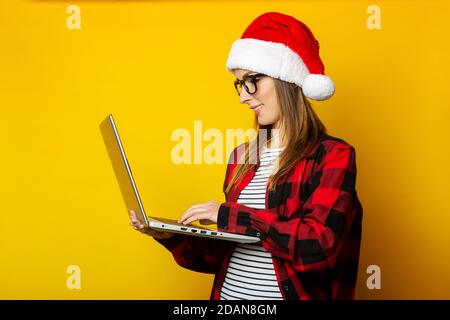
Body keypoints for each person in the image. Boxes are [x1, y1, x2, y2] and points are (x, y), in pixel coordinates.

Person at [130, 12, 363, 300]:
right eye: (240, 83)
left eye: (252, 80)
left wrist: (226, 214)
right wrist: (169, 236)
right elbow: (228, 256)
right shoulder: (241, 158)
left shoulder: (333, 156)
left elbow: (318, 247)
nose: (243, 96)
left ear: (285, 79)